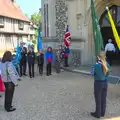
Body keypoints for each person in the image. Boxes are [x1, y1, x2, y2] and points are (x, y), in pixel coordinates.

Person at [91, 51, 110, 118]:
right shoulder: (107, 64)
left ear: (98, 57)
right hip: (105, 82)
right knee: (103, 98)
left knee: (98, 99)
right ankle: (102, 113)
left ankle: (97, 114)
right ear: (105, 57)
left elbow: (92, 73)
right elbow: (108, 74)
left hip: (98, 83)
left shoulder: (96, 65)